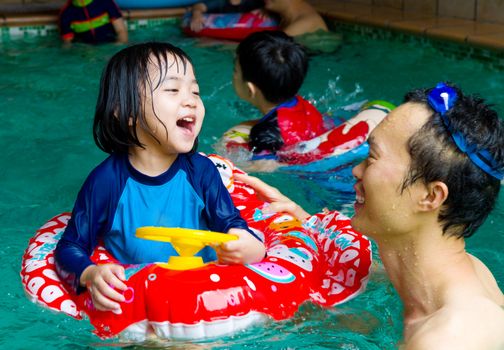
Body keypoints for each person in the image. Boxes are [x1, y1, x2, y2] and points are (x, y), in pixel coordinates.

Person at [235, 82, 504, 349]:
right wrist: (307, 225)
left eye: (372, 157)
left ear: (431, 197)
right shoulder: (458, 271)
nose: (356, 171)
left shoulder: (447, 339)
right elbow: (372, 270)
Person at [55, 42, 266, 313]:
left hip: (208, 297)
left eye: (195, 91)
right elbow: (71, 246)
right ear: (126, 112)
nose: (191, 100)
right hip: (143, 305)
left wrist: (251, 248)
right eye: (173, 89)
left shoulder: (201, 172)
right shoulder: (106, 182)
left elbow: (233, 226)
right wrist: (91, 275)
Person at [232, 30, 326, 164]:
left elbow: (265, 167)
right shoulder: (305, 105)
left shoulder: (264, 134)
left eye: (235, 71)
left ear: (249, 89)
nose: (234, 76)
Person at [59, 0, 128, 45]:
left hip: (109, 46)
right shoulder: (66, 13)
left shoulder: (106, 2)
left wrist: (115, 49)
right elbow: (67, 44)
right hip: (85, 53)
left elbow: (121, 32)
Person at [189, 0, 265, 32]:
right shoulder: (220, 2)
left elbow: (266, 6)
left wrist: (264, 10)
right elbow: (199, 6)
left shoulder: (253, 2)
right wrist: (196, 14)